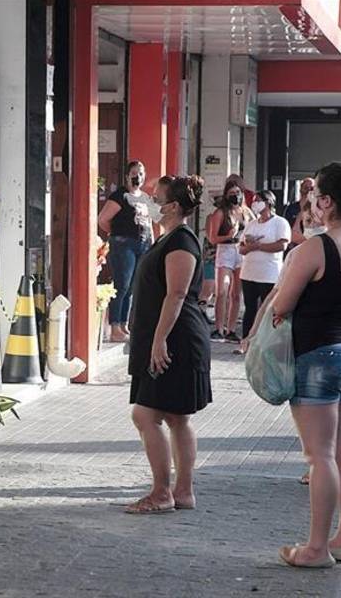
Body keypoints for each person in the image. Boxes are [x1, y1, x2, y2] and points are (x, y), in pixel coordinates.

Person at [268, 161, 341, 568]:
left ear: (326, 201)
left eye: (316, 193)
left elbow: (281, 304)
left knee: (319, 457)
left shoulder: (315, 248)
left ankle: (316, 549)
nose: (312, 201)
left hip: (318, 357)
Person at [126, 175, 211, 514]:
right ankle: (182, 491)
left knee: (146, 414)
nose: (150, 201)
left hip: (177, 339)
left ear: (173, 206)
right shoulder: (170, 238)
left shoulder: (182, 242)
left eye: (156, 196)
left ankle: (163, 492)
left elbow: (176, 294)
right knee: (176, 417)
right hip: (165, 336)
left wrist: (159, 341)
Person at [98, 160, 158, 342]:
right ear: (126, 176)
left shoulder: (145, 198)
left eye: (140, 173)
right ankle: (114, 325)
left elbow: (150, 222)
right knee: (122, 284)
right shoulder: (120, 196)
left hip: (143, 243)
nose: (137, 177)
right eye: (134, 173)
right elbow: (103, 219)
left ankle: (123, 324)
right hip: (124, 244)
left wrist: (152, 243)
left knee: (132, 287)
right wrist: (117, 233)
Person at [238, 190, 291, 344]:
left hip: (269, 273)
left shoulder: (280, 222)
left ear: (268, 202)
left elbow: (282, 245)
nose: (255, 203)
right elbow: (241, 248)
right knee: (250, 309)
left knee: (269, 309)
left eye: (258, 200)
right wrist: (249, 246)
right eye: (254, 200)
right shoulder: (251, 224)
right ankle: (246, 341)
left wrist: (259, 246)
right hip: (249, 272)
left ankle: (267, 341)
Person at [208, 182, 252, 342]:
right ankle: (219, 328)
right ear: (226, 195)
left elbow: (254, 227)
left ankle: (231, 329)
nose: (236, 195)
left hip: (241, 251)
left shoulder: (246, 212)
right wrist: (228, 235)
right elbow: (212, 238)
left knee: (236, 293)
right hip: (225, 250)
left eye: (238, 192)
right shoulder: (221, 213)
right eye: (232, 192)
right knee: (222, 291)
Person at [284, 178, 313, 253]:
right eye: (306, 187)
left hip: (310, 245)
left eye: (311, 188)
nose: (308, 190)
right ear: (300, 188)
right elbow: (286, 226)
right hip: (293, 247)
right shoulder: (291, 208)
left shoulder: (317, 208)